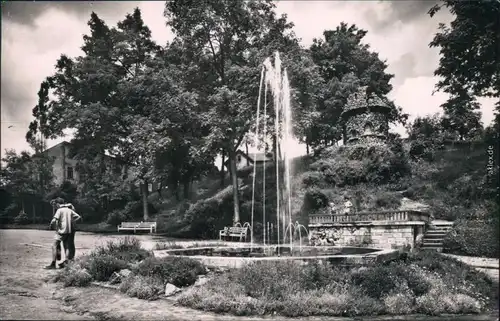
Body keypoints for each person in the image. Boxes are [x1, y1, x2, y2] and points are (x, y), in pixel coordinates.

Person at [45, 200, 81, 269]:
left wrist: (51, 225)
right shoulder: (69, 210)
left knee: (54, 245)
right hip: (69, 230)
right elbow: (78, 217)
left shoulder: (59, 210)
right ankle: (67, 262)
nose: (55, 207)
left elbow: (54, 220)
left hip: (61, 231)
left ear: (58, 204)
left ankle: (53, 263)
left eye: (55, 205)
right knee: (67, 246)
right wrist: (72, 221)